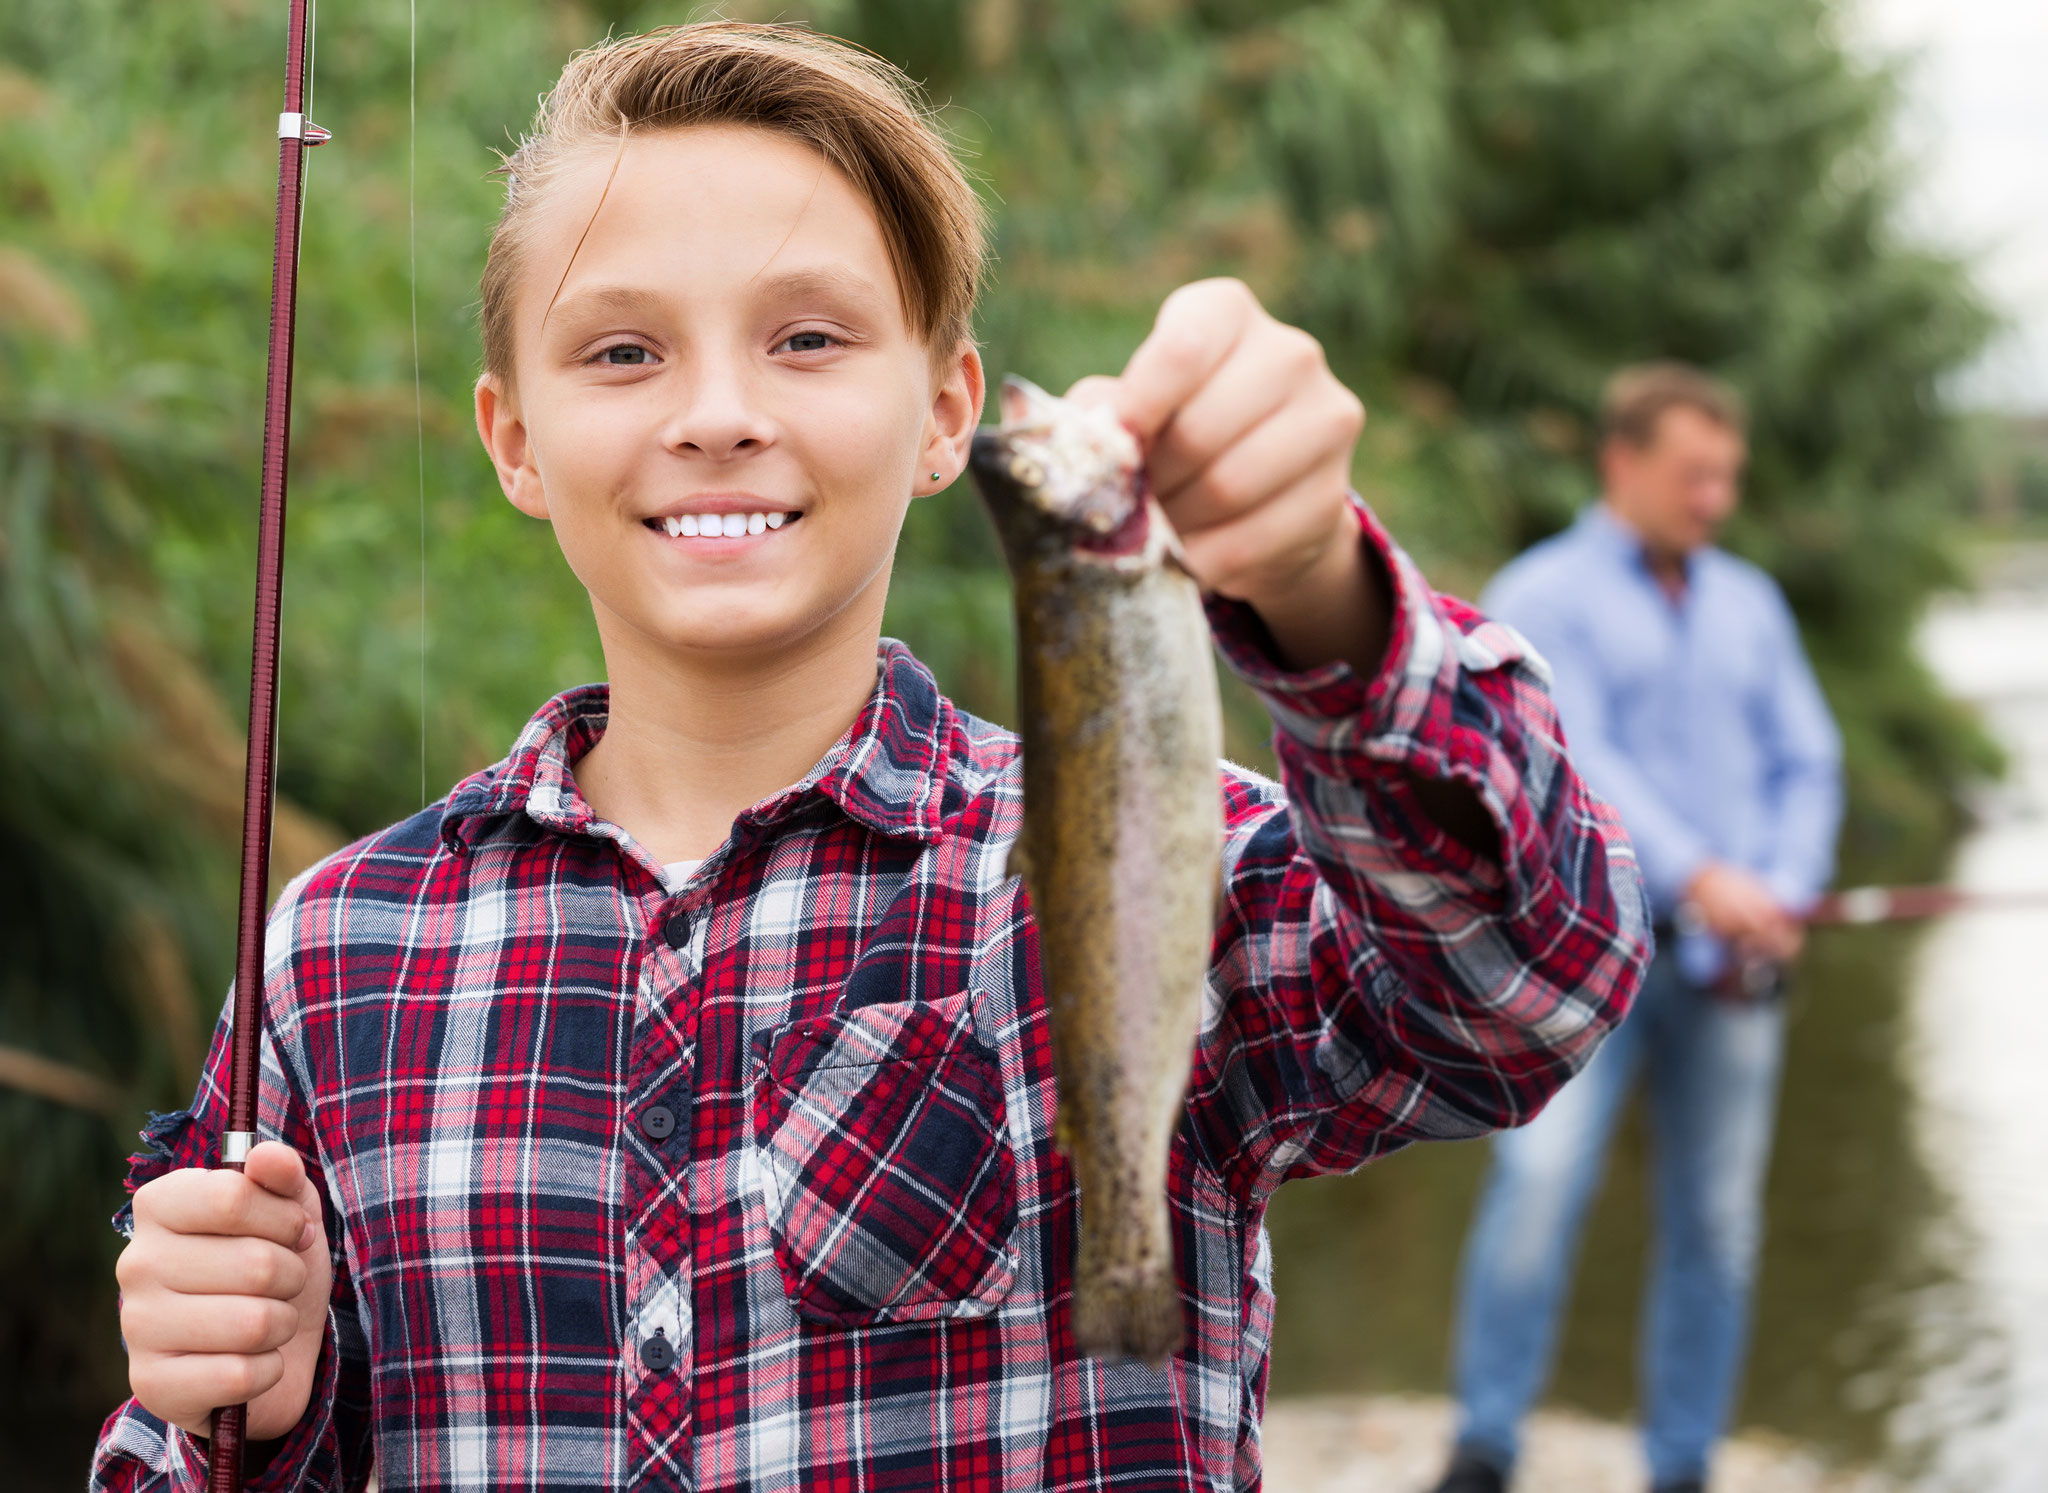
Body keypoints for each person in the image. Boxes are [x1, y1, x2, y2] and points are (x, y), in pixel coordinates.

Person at [93, 24, 1649, 1493]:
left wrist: (1319, 585)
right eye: (623, 351)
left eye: (811, 338)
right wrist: (238, 1411)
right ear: (512, 438)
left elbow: (1523, 988)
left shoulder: (1134, 848)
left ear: (946, 412)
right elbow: (189, 1453)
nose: (717, 414)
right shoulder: (338, 953)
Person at [1428, 363, 1844, 1493]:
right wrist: (1701, 870)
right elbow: (1576, 752)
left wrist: (1782, 885)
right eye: (1691, 473)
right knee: (1536, 1189)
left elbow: (1806, 760)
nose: (1713, 497)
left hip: (1730, 968)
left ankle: (1680, 1463)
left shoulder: (1748, 602)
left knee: (1717, 1225)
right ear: (1620, 462)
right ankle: (1484, 1444)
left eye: (1725, 476)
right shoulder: (1541, 595)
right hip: (1572, 969)